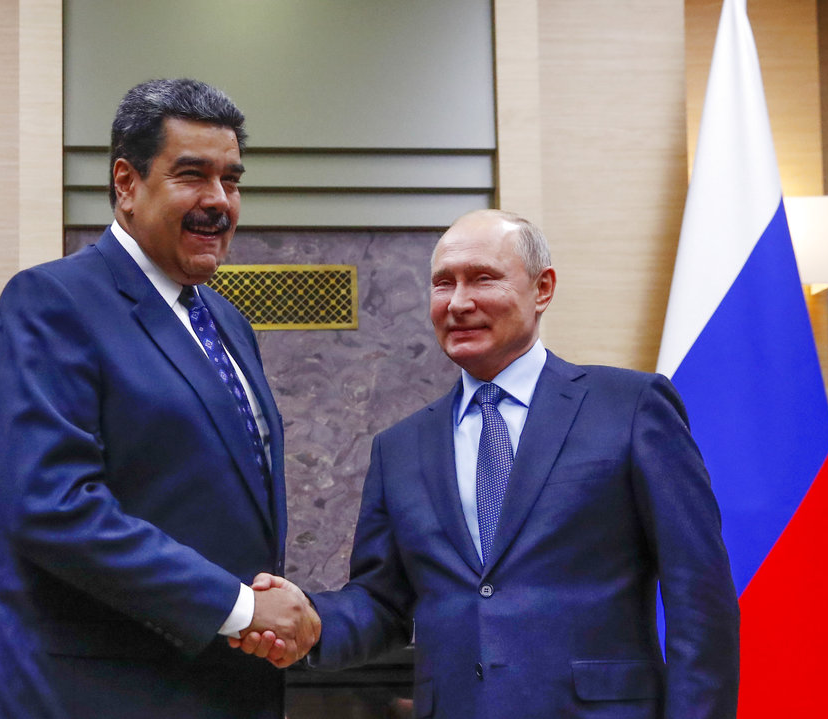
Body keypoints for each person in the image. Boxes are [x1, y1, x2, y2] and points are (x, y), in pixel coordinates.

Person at [238, 210, 739, 718]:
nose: (458, 302)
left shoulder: (631, 407)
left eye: (482, 278)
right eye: (442, 284)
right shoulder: (400, 447)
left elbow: (698, 597)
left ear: (542, 289)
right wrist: (313, 619)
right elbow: (384, 605)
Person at [0, 78, 319, 719]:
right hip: (94, 696)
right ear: (126, 184)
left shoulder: (227, 321)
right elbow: (53, 508)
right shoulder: (52, 303)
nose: (219, 202)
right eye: (193, 176)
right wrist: (240, 608)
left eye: (232, 180)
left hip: (218, 688)